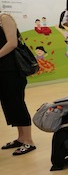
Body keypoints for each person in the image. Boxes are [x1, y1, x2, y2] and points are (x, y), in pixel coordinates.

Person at [0, 13, 36, 156]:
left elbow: (12, 43)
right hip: (2, 71)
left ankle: (29, 141)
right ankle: (21, 138)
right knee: (9, 104)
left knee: (17, 103)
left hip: (12, 70)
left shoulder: (4, 18)